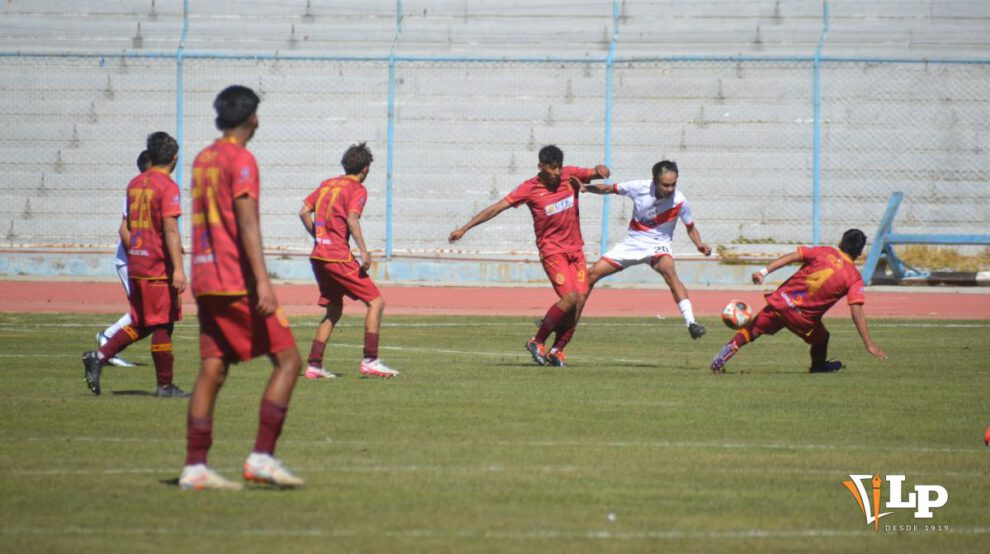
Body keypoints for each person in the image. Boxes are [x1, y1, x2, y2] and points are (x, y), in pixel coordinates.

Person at [178, 85, 304, 491]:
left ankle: (195, 465)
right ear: (253, 118)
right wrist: (263, 282)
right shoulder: (241, 159)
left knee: (213, 368)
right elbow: (247, 222)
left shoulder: (203, 158)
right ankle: (261, 457)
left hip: (205, 276)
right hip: (235, 280)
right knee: (288, 361)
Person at [448, 145, 609, 367]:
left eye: (558, 168)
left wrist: (601, 170)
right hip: (553, 251)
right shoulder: (529, 188)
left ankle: (557, 350)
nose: (556, 173)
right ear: (540, 166)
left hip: (576, 250)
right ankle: (537, 340)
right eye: (551, 168)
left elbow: (597, 173)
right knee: (570, 297)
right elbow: (496, 208)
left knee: (580, 301)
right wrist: (465, 228)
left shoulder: (568, 174)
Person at [82, 133, 188, 397]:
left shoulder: (134, 183)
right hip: (158, 267)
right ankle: (164, 385)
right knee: (163, 324)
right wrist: (178, 268)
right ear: (175, 158)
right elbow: (171, 230)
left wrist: (138, 252)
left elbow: (126, 227)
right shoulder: (168, 187)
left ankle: (99, 356)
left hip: (137, 264)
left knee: (143, 322)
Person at [709, 228, 887, 374]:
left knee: (753, 329)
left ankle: (728, 350)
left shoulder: (824, 252)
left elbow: (791, 257)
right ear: (860, 252)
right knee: (822, 338)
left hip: (781, 303)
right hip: (803, 321)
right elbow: (856, 311)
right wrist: (868, 343)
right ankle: (818, 366)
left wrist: (763, 272)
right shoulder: (854, 277)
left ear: (840, 242)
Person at [580, 160, 711, 343]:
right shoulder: (639, 187)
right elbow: (609, 189)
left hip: (658, 245)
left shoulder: (680, 201)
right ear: (654, 181)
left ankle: (691, 323)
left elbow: (690, 227)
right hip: (632, 243)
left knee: (671, 275)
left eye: (673, 184)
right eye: (665, 185)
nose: (669, 189)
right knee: (591, 274)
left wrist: (699, 244)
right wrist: (587, 188)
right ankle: (563, 318)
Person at [298, 142, 398, 380]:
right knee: (376, 303)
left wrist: (318, 236)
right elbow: (353, 219)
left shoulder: (327, 184)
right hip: (337, 257)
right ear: (365, 168)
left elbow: (303, 211)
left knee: (333, 310)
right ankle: (371, 360)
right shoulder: (357, 189)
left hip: (318, 256)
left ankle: (314, 365)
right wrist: (364, 251)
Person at [95, 150, 153, 368]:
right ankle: (107, 339)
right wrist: (140, 255)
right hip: (130, 261)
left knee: (148, 312)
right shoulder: (137, 189)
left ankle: (107, 340)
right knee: (145, 312)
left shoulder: (152, 189)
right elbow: (124, 228)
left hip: (140, 260)